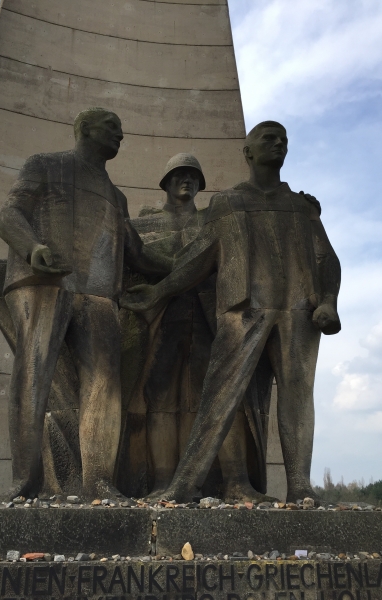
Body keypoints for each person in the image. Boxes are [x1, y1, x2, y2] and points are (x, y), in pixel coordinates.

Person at [121, 121, 341, 503]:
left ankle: (300, 486)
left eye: (283, 139)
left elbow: (327, 258)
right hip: (243, 309)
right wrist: (158, 292)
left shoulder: (301, 206)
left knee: (297, 395)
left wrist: (329, 301)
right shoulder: (228, 203)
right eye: (269, 138)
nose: (278, 143)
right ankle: (185, 483)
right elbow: (197, 260)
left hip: (299, 311)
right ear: (248, 151)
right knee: (220, 394)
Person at [0, 107, 171, 501]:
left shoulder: (116, 196)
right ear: (84, 129)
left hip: (99, 296)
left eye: (121, 130)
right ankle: (25, 482)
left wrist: (190, 264)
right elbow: (8, 215)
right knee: (33, 375)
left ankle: (98, 482)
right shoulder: (45, 164)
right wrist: (32, 248)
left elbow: (138, 254)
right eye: (112, 127)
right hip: (45, 283)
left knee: (104, 385)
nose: (120, 135)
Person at [121, 153, 274, 501]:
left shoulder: (213, 219)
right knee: (159, 397)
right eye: (179, 175)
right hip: (162, 318)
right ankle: (161, 483)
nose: (187, 181)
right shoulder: (145, 223)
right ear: (166, 181)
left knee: (224, 395)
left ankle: (236, 482)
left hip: (209, 319)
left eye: (193, 176)